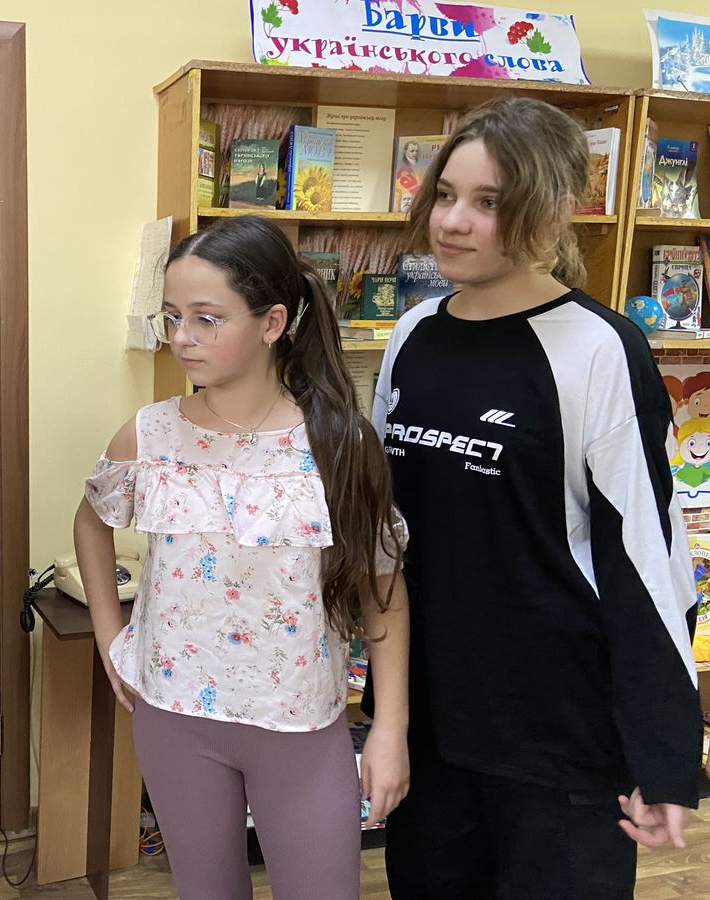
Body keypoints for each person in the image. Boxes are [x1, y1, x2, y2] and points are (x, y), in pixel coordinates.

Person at [372, 96, 703, 899]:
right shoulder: (414, 335)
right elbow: (385, 529)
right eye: (446, 194)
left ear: (553, 212)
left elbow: (645, 555)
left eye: (489, 202)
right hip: (434, 726)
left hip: (559, 740)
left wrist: (662, 752)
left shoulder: (599, 349)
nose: (453, 221)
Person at [73, 214, 410, 899]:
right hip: (174, 715)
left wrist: (389, 729)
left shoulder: (339, 444)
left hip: (299, 719)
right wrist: (112, 638)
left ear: (272, 322)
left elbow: (384, 593)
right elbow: (91, 521)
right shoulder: (150, 434)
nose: (182, 338)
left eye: (207, 319)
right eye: (172, 317)